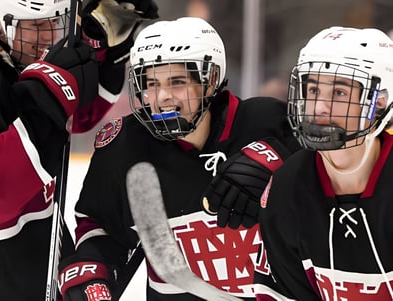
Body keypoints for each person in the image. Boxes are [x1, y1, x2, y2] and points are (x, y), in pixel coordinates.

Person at [57, 17, 300, 300]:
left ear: (209, 83)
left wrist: (281, 162)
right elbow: (102, 228)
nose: (162, 97)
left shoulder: (265, 123)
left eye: (177, 82)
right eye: (151, 83)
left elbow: (330, 177)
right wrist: (90, 273)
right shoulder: (125, 146)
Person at [0, 0, 157, 300]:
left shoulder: (12, 59)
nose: (48, 36)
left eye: (54, 21)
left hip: (34, 266)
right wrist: (49, 100)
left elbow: (75, 119)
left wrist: (104, 52)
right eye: (35, 25)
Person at [255, 26, 393, 300]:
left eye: (339, 93)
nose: (319, 107)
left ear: (379, 102)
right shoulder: (287, 186)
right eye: (313, 89)